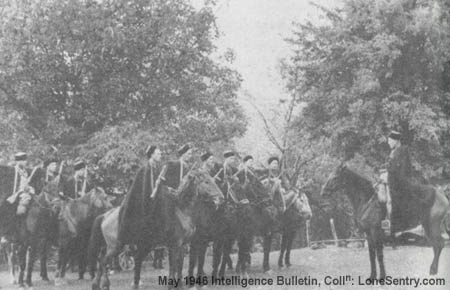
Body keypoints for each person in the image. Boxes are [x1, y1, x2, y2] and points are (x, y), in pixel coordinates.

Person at [118, 144, 163, 245]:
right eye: (158, 153)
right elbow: (141, 191)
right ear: (152, 155)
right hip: (143, 202)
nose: (160, 154)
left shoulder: (158, 169)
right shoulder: (144, 170)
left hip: (154, 201)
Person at [387, 130, 435, 208]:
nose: (388, 143)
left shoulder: (403, 151)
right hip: (393, 180)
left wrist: (392, 174)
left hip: (402, 181)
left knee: (394, 200)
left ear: (396, 141)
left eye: (390, 141)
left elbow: (403, 169)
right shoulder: (393, 152)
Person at [376, 168, 392, 235]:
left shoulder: (385, 181)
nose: (382, 174)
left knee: (388, 212)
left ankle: (387, 230)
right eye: (381, 173)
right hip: (381, 198)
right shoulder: (379, 183)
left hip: (386, 198)